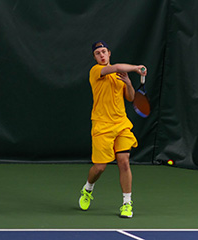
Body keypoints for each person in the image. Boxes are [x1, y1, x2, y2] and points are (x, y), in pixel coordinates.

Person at [79, 41, 147, 218]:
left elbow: (131, 97)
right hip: (102, 125)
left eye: (103, 52)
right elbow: (116, 67)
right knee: (100, 167)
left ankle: (126, 203)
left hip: (121, 124)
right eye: (97, 53)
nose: (101, 55)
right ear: (95, 58)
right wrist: (136, 68)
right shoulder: (96, 71)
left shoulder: (119, 75)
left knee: (124, 162)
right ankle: (88, 189)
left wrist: (128, 82)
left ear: (109, 53)